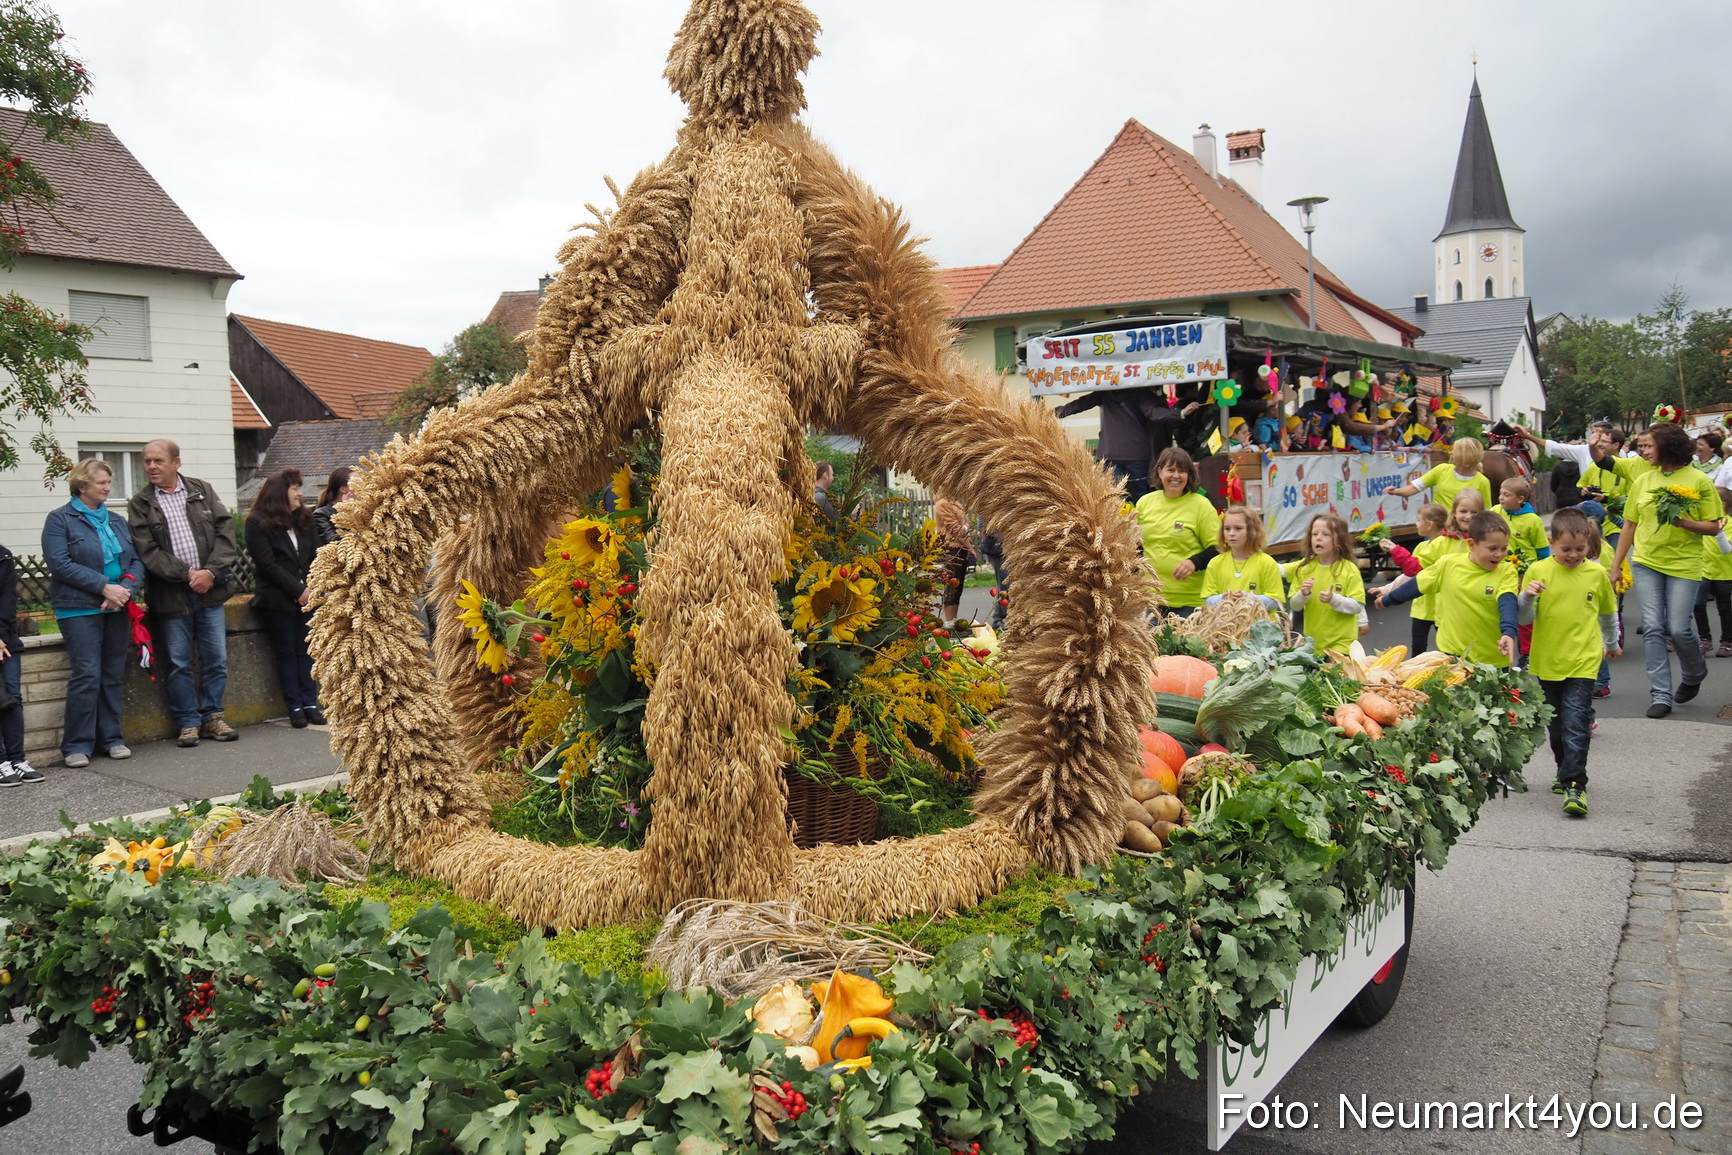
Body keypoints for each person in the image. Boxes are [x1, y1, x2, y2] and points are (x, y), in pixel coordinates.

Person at [128, 439, 242, 747]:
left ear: (176, 462)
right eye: (147, 461)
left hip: (210, 591)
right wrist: (187, 574)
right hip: (171, 596)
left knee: (216, 658)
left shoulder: (200, 490)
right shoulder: (141, 503)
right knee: (178, 662)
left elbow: (225, 533)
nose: (151, 466)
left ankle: (213, 717)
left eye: (158, 461)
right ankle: (188, 722)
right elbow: (148, 551)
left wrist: (210, 572)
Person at [1608, 422, 1723, 718]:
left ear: (1667, 446)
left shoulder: (1698, 480)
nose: (1643, 451)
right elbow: (1630, 525)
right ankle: (1660, 694)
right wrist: (1616, 565)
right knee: (1653, 628)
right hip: (1647, 561)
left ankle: (1695, 672)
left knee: (1679, 628)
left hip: (1685, 564)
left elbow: (1713, 525)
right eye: (1642, 446)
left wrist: (1683, 522)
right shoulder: (1644, 481)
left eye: (1649, 446)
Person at [43, 459, 145, 768]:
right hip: (78, 609)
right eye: (101, 482)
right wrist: (104, 587)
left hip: (116, 605)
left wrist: (125, 588)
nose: (107, 487)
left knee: (112, 675)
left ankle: (111, 738)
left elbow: (136, 561)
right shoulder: (60, 519)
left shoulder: (115, 520)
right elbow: (60, 564)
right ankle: (76, 745)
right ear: (83, 485)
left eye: (108, 481)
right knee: (87, 674)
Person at [1518, 508, 1618, 818]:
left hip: (1584, 661)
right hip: (1548, 660)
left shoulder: (1596, 574)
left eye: (1580, 548)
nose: (1574, 555)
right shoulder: (1538, 571)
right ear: (1551, 543)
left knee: (1576, 722)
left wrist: (1611, 643)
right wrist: (1527, 596)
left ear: (1590, 543)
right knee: (1557, 726)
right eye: (1566, 549)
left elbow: (1606, 613)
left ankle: (1576, 785)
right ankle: (1564, 770)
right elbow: (1524, 618)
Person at [1381, 511, 1520, 668]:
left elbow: (1507, 601)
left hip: (1492, 658)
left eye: (1504, 548)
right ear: (1472, 544)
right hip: (1452, 654)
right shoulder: (1449, 564)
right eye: (1493, 548)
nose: (1499, 554)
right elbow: (1418, 584)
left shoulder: (1506, 571)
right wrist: (1388, 599)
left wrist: (1508, 632)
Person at [246, 468, 325, 728]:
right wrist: (297, 590)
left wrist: (310, 588)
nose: (301, 494)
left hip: (308, 597)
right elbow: (267, 564)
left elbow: (316, 556)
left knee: (306, 651)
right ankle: (294, 705)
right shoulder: (257, 522)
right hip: (277, 599)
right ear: (281, 492)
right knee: (286, 652)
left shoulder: (305, 519)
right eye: (295, 488)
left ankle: (310, 702)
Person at [1054, 387, 1195, 502]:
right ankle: (1142, 529)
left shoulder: (1104, 392)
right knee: (1141, 497)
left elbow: (1081, 403)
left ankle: (1121, 532)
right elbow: (1154, 413)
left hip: (1110, 452)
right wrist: (1180, 413)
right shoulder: (1139, 392)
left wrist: (1056, 412)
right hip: (1138, 453)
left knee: (1115, 499)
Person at [1134, 447, 1220, 616]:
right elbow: (1135, 547)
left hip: (1190, 603)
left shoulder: (1201, 505)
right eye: (1170, 470)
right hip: (1150, 600)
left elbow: (1218, 548)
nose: (1176, 476)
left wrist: (1193, 563)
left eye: (1182, 471)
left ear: (1189, 475)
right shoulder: (1145, 503)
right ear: (1160, 472)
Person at [1368, 503, 1454, 653]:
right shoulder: (1421, 547)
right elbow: (1408, 575)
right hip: (1421, 608)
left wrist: (1394, 549)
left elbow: (1413, 569)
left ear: (1429, 525)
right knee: (1418, 648)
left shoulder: (1444, 546)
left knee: (1446, 649)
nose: (1416, 523)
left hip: (1440, 608)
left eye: (1418, 520)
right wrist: (1386, 589)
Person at [1285, 513, 1366, 653]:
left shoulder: (1349, 569)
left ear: (1339, 540)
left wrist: (1333, 599)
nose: (1318, 538)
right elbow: (1294, 606)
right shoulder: (1304, 569)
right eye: (1314, 534)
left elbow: (1357, 606)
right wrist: (1303, 594)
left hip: (1342, 644)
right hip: (1314, 644)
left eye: (1326, 534)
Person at [0, 541, 43, 785]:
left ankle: (17, 759)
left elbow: (7, 600)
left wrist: (2, 638)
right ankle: (1, 762)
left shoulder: (3, 556)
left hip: (6, 640)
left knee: (12, 699)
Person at [1201, 506, 1285, 614]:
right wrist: (1223, 598)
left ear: (1252, 531)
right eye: (1227, 529)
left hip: (1260, 628)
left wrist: (1248, 599)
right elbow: (1207, 600)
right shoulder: (1215, 563)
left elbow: (1275, 601)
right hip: (1225, 627)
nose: (1231, 533)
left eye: (1238, 528)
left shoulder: (1267, 563)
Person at [1389, 437, 1493, 512]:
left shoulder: (1483, 481)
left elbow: (1486, 511)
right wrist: (1396, 491)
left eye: (1454, 450)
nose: (1450, 452)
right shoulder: (1441, 470)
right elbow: (1415, 487)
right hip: (1438, 527)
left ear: (1463, 455)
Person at [933, 494, 974, 627]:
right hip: (950, 548)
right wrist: (970, 548)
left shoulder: (955, 502)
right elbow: (956, 530)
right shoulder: (942, 504)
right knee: (951, 583)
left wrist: (965, 528)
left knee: (958, 585)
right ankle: (949, 621)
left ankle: (954, 620)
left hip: (960, 547)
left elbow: (967, 523)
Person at [1491, 477, 1550, 569]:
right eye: (1500, 493)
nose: (1501, 498)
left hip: (1527, 567)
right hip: (1504, 566)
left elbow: (1542, 548)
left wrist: (1543, 568)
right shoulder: (1495, 511)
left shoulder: (1533, 520)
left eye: (1506, 495)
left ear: (1520, 499)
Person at [1694, 531, 1732, 659]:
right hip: (1703, 569)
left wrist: (1719, 532)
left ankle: (1727, 642)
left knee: (1724, 608)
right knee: (1697, 604)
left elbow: (1726, 549)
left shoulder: (1730, 524)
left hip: (1724, 571)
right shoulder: (1704, 522)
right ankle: (1705, 639)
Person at [313, 465, 353, 547]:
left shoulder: (366, 513)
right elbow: (333, 542)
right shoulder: (321, 515)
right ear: (343, 489)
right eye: (357, 483)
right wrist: (346, 514)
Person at [979, 528, 1009, 631]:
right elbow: (984, 527)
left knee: (1006, 584)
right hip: (997, 549)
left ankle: (998, 617)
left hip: (1010, 548)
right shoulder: (989, 512)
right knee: (1005, 583)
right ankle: (1003, 618)